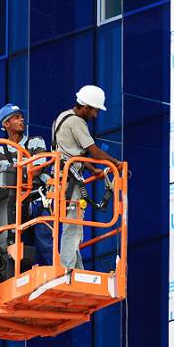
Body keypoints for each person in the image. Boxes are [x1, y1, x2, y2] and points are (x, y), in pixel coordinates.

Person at [0, 103, 54, 266]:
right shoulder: (0, 151)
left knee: (45, 242)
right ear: (6, 124)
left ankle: (50, 274)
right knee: (22, 245)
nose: (22, 120)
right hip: (17, 204)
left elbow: (38, 169)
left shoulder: (35, 142)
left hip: (38, 200)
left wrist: (16, 170)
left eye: (21, 116)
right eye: (17, 117)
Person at [51, 85, 125, 270]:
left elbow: (71, 154)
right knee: (73, 226)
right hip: (69, 180)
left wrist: (92, 170)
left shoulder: (62, 118)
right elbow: (93, 151)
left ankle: (77, 270)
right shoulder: (76, 122)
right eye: (95, 110)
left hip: (62, 178)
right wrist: (115, 162)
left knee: (73, 225)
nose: (95, 115)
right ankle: (67, 270)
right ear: (85, 107)